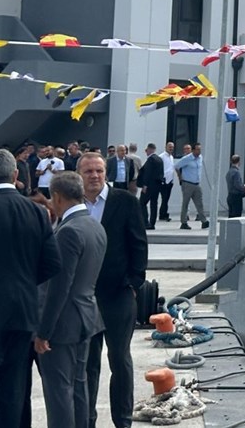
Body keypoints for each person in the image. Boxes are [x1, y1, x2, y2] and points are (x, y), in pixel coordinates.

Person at [77, 151, 147, 428]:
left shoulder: (126, 202)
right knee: (87, 363)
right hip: (84, 296)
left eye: (99, 171)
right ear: (79, 174)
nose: (94, 176)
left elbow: (139, 243)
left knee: (119, 358)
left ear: (107, 174)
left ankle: (123, 421)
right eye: (89, 172)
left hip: (118, 293)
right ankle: (87, 420)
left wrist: (134, 283)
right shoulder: (74, 204)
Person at [36, 171, 107, 428]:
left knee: (59, 393)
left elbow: (59, 287)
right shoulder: (94, 225)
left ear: (56, 196)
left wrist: (43, 332)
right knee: (79, 387)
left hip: (63, 324)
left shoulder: (68, 231)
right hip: (86, 317)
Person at [0, 149, 61, 428]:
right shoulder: (36, 212)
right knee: (13, 387)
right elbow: (52, 264)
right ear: (15, 175)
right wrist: (23, 282)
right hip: (22, 311)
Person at [173, 143, 208, 230]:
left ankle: (204, 221)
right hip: (188, 183)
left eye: (200, 149)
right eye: (197, 149)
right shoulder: (187, 159)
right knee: (185, 203)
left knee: (199, 203)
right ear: (193, 150)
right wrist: (180, 177)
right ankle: (184, 222)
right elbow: (176, 166)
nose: (199, 151)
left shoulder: (200, 158)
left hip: (197, 183)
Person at [137, 143, 164, 229]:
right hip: (157, 185)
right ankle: (152, 223)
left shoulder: (150, 160)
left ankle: (145, 222)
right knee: (154, 203)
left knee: (142, 203)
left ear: (149, 149)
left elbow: (147, 173)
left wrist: (145, 185)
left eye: (146, 150)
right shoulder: (159, 159)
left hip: (149, 186)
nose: (146, 152)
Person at [158, 142, 176, 222]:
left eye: (172, 147)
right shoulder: (161, 157)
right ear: (165, 147)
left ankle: (164, 213)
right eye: (169, 147)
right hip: (164, 181)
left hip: (170, 181)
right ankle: (163, 214)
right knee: (164, 198)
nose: (171, 148)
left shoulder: (171, 157)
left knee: (166, 199)